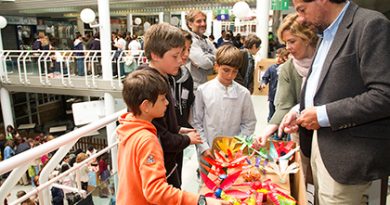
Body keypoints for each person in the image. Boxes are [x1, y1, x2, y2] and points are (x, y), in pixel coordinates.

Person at [278, 0, 390, 204]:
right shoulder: (326, 35)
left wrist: (323, 115)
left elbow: (384, 94)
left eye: (302, 10)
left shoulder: (369, 25)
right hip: (321, 148)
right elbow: (325, 90)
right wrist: (300, 111)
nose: (301, 18)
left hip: (347, 155)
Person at [116, 69, 228, 205]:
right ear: (146, 105)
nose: (167, 103)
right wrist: (200, 200)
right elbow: (155, 191)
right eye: (163, 99)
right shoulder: (147, 140)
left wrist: (178, 130)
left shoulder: (128, 128)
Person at [137, 23, 202, 188]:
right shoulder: (148, 85)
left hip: (168, 160)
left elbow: (162, 123)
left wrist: (177, 129)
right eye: (175, 56)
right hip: (159, 164)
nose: (181, 61)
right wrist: (187, 139)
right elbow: (160, 137)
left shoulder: (162, 77)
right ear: (155, 55)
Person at [256, 13, 317, 145]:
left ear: (307, 38)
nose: (287, 47)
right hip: (300, 135)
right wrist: (268, 130)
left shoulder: (325, 61)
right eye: (285, 42)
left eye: (292, 41)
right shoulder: (287, 68)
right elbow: (284, 105)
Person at [191, 44, 257, 158]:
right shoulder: (203, 90)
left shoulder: (243, 93)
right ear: (216, 66)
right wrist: (204, 147)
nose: (230, 75)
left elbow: (249, 123)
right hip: (208, 150)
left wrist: (238, 145)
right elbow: (196, 122)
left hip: (234, 151)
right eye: (226, 70)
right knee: (208, 175)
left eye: (235, 71)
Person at [186, 10, 216, 90]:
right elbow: (205, 63)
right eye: (199, 21)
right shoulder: (189, 41)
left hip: (208, 85)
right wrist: (212, 60)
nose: (203, 24)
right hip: (195, 88)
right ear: (190, 24)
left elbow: (220, 58)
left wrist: (208, 57)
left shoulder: (207, 40)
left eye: (204, 21)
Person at [260, 47, 290, 122]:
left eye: (280, 57)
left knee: (281, 115)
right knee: (271, 113)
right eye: (277, 56)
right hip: (272, 96)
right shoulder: (271, 68)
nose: (278, 59)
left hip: (283, 98)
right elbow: (265, 78)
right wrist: (263, 83)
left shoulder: (286, 68)